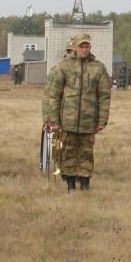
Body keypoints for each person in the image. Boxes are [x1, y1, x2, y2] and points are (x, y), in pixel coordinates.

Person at [42, 33, 111, 191]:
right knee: (68, 151)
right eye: (81, 46)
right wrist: (53, 120)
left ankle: (85, 184)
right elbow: (53, 95)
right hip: (68, 120)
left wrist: (102, 120)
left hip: (89, 120)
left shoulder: (98, 68)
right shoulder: (63, 67)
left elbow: (104, 96)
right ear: (75, 48)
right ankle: (70, 184)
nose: (84, 50)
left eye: (87, 46)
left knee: (86, 152)